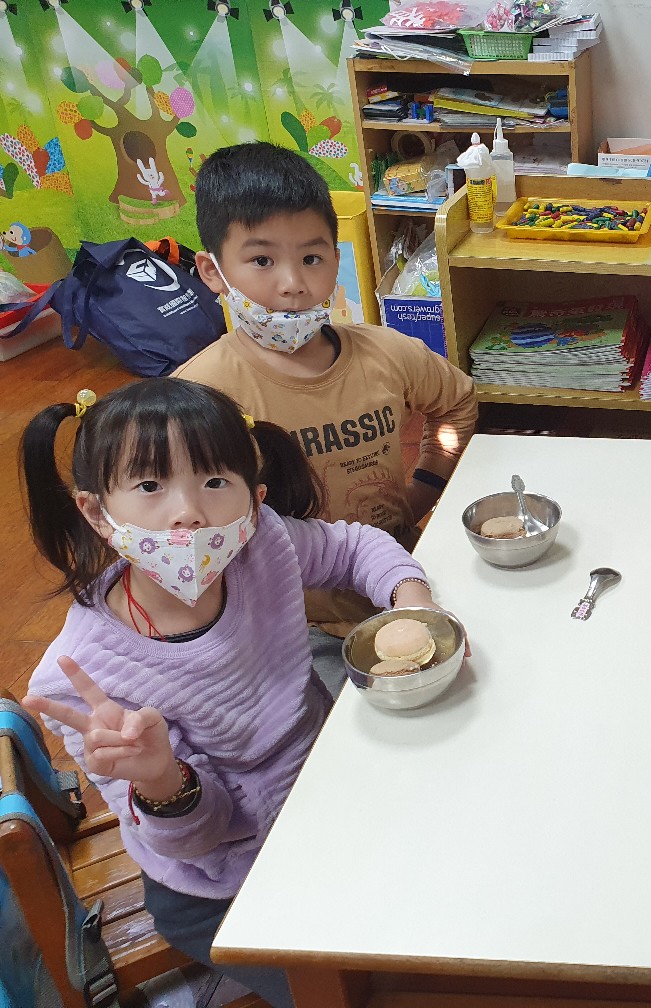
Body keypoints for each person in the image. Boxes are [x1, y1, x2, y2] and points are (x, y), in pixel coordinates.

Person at [21, 379, 455, 1008]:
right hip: (222, 883)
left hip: (329, 788)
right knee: (364, 991)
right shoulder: (83, 677)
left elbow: (351, 548)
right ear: (95, 511)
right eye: (150, 485)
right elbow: (197, 839)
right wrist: (161, 781)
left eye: (214, 481)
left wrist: (412, 601)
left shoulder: (259, 544)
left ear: (254, 500)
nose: (188, 512)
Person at [175, 141, 477, 690]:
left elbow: (456, 403)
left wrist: (424, 490)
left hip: (408, 579)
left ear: (336, 260)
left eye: (312, 258)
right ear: (213, 271)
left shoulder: (388, 353)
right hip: (297, 627)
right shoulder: (200, 396)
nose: (293, 282)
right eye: (262, 260)